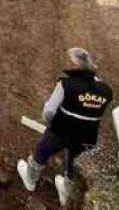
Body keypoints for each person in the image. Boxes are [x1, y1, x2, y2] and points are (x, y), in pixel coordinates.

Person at [17, 48, 113, 206]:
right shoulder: (107, 91)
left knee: (42, 150)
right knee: (73, 162)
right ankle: (65, 192)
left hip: (61, 131)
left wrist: (52, 124)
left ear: (76, 65)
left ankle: (30, 179)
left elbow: (48, 111)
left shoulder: (65, 84)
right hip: (86, 135)